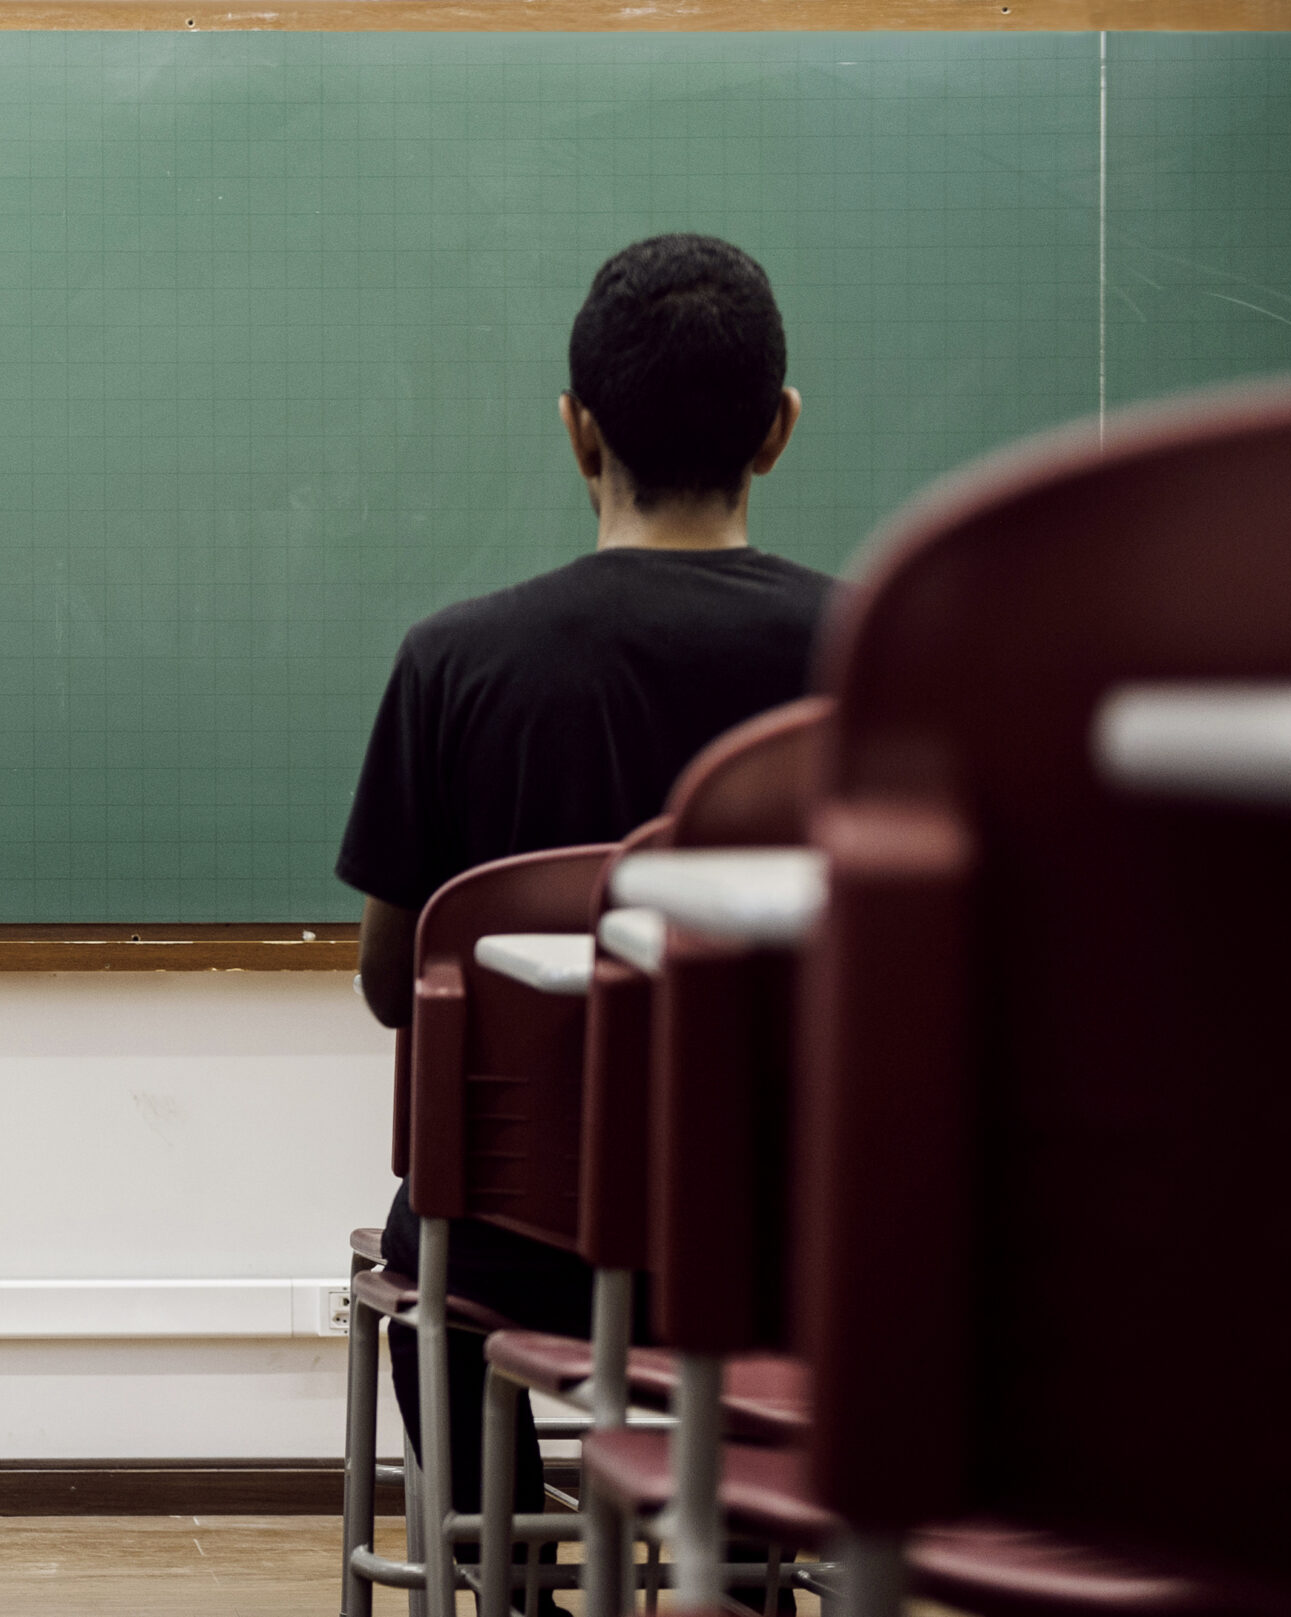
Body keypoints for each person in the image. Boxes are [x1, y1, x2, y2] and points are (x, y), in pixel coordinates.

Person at [334, 233, 831, 1608]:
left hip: (522, 1242)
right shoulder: (877, 658)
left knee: (423, 1253)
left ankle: (509, 1584)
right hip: (806, 1232)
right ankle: (743, 1555)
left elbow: (398, 983)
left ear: (577, 431)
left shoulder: (456, 661)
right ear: (778, 431)